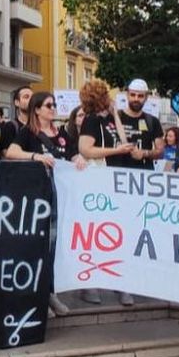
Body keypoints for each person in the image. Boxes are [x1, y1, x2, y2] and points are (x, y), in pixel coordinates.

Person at [6, 90, 84, 316]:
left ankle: (50, 293)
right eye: (49, 105)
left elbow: (72, 154)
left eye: (54, 104)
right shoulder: (28, 133)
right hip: (37, 196)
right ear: (37, 109)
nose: (53, 108)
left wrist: (79, 159)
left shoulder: (61, 134)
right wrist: (35, 157)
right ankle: (40, 295)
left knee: (55, 246)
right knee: (39, 245)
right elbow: (11, 152)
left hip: (61, 197)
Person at [74, 79, 137, 306]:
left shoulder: (108, 119)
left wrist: (116, 116)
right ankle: (90, 283)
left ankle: (119, 282)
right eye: (106, 94)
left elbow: (123, 141)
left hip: (113, 181)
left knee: (117, 232)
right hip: (98, 182)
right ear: (99, 97)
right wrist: (115, 151)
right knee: (96, 232)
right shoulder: (91, 121)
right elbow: (85, 149)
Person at [107, 79, 163, 169]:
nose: (136, 99)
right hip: (114, 172)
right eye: (133, 95)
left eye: (140, 96)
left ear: (146, 97)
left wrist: (144, 153)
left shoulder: (152, 121)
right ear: (127, 95)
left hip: (142, 172)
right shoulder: (114, 117)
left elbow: (160, 152)